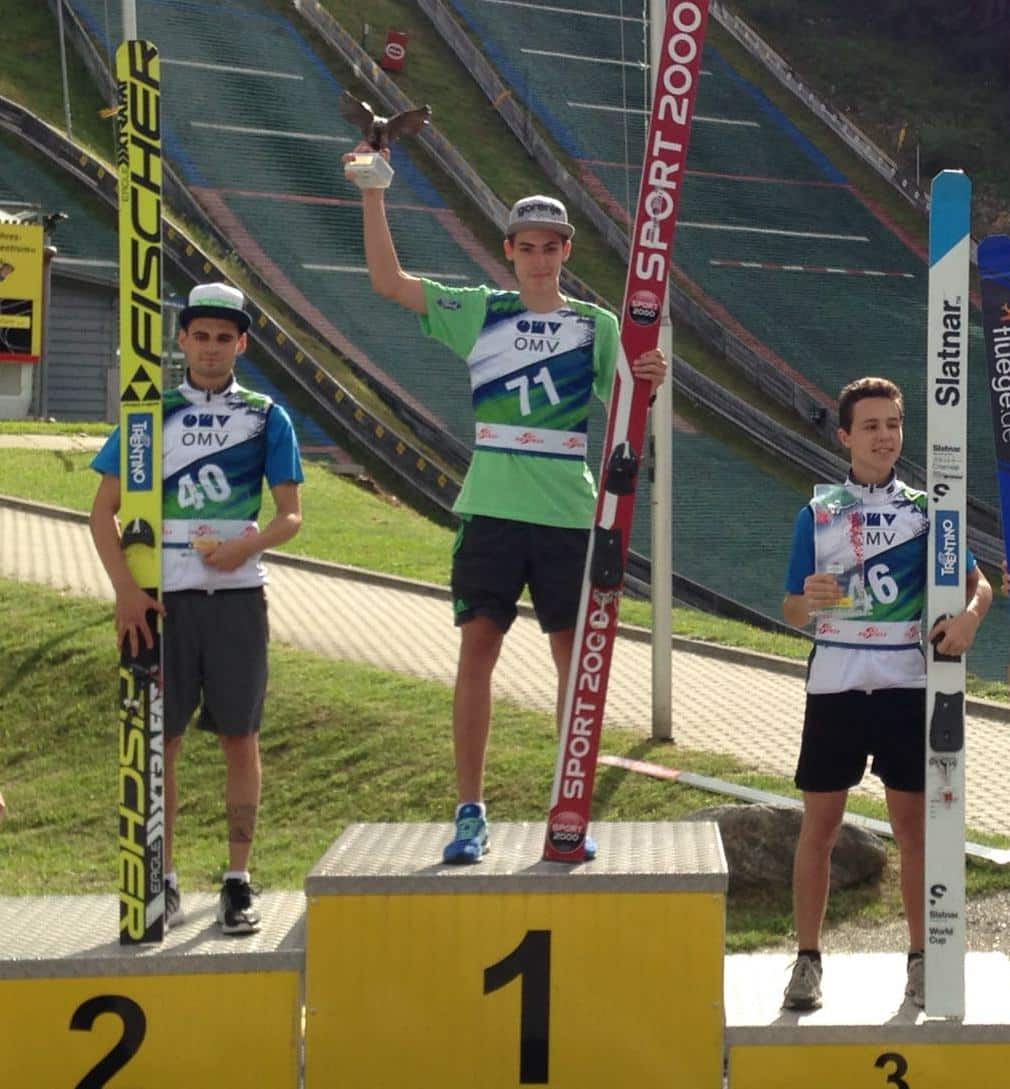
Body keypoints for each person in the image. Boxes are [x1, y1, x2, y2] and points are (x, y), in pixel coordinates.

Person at [347, 145, 666, 864]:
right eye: (528, 248)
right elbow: (389, 282)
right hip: (491, 510)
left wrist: (650, 375)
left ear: (566, 252)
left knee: (573, 664)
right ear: (509, 251)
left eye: (551, 248)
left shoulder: (596, 325)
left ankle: (569, 806)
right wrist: (373, 191)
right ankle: (469, 812)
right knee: (477, 653)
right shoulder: (479, 311)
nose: (540, 260)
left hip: (567, 516)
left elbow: (629, 407)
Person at [90, 283, 303, 933]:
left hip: (238, 600)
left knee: (241, 737)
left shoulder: (267, 416)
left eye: (224, 338)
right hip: (164, 603)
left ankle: (238, 880)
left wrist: (246, 546)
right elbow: (102, 511)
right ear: (181, 340)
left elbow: (290, 515)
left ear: (242, 345)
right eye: (201, 336)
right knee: (163, 742)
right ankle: (164, 875)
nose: (211, 349)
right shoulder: (147, 416)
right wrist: (127, 591)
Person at [781, 376, 991, 1010]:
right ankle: (807, 960)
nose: (884, 437)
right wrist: (808, 600)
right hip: (835, 684)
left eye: (893, 425)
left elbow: (980, 585)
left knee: (912, 832)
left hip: (905, 683)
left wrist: (970, 619)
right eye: (870, 426)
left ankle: (922, 959)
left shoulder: (928, 511)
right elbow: (791, 609)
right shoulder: (819, 513)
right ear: (845, 436)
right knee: (820, 828)